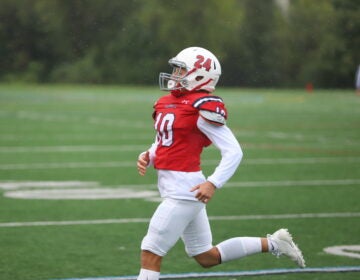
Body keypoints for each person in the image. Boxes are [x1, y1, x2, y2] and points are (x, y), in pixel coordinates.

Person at [136, 46, 305, 280]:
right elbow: (166, 141)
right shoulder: (167, 102)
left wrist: (213, 183)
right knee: (206, 256)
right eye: (175, 69)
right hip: (179, 189)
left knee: (151, 251)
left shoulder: (200, 107)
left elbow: (234, 151)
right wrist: (150, 154)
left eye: (180, 70)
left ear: (199, 75)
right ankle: (276, 243)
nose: (174, 75)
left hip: (184, 191)